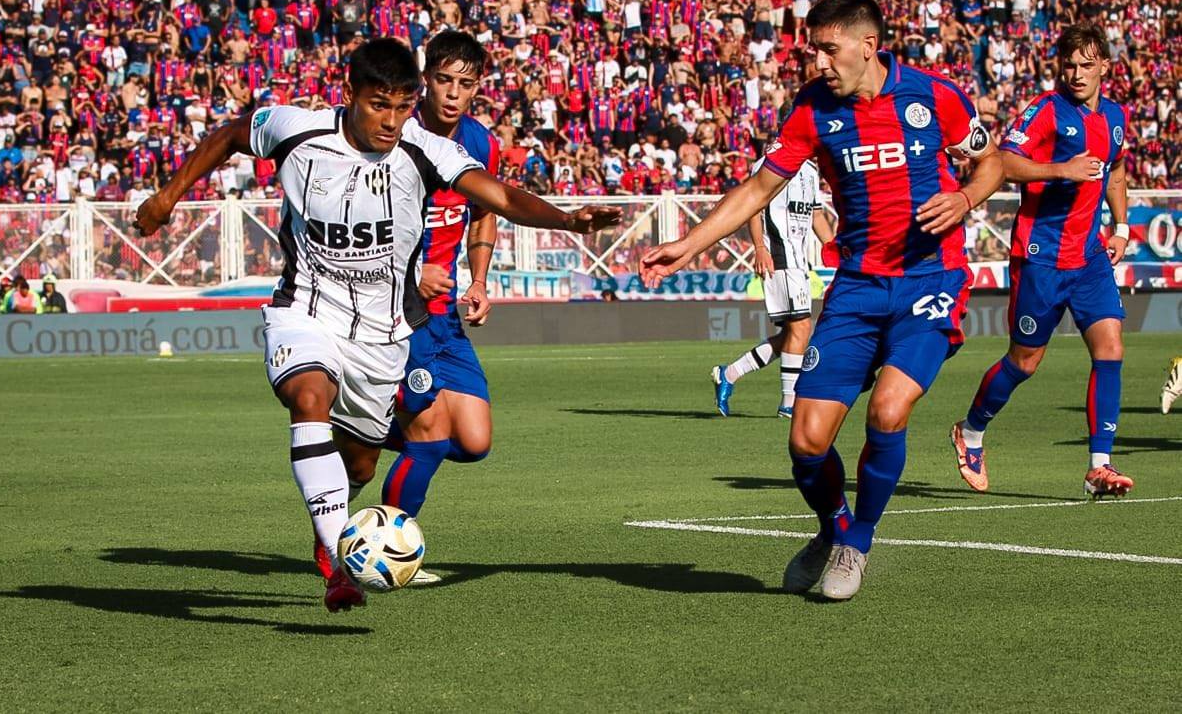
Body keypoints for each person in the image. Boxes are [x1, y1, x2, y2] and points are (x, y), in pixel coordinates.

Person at [134, 39, 619, 613]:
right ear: (349, 95)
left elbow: (497, 195)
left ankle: (341, 513)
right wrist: (167, 196)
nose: (391, 121)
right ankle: (338, 564)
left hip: (383, 336)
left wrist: (568, 219)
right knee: (309, 395)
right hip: (305, 311)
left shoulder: (424, 149)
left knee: (361, 461)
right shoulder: (297, 129)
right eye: (378, 105)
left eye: (401, 106)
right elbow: (232, 134)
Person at [640, 0, 1002, 601]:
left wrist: (966, 198)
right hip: (856, 289)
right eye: (815, 51)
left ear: (868, 46)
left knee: (889, 410)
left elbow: (992, 163)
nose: (820, 63)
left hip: (929, 282)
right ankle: (832, 527)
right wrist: (689, 243)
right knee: (806, 441)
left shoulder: (933, 96)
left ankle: (856, 543)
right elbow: (758, 188)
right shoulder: (811, 110)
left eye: (831, 50)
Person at [949, 23, 1133, 498]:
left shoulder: (1115, 116)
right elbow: (1002, 163)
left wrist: (1121, 227)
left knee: (1110, 347)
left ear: (1103, 68)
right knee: (1025, 362)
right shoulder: (1046, 111)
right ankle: (970, 431)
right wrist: (1060, 169)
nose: (1075, 73)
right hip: (1041, 257)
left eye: (1086, 65)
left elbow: (1115, 170)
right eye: (1068, 64)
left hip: (1089, 255)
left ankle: (1099, 465)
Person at [376, 32, 501, 585]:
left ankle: (364, 425)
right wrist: (410, 268)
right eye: (444, 80)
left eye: (465, 84)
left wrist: (479, 278)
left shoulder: (481, 142)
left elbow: (484, 214)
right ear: (425, 78)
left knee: (473, 442)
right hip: (397, 308)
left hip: (448, 310)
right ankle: (384, 547)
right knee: (429, 434)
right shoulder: (395, 137)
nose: (452, 94)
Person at [711, 148, 833, 417]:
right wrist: (759, 247)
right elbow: (752, 207)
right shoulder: (768, 165)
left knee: (794, 334)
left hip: (799, 260)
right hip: (777, 256)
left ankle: (729, 373)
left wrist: (835, 249)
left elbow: (815, 215)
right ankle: (789, 404)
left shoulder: (811, 171)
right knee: (800, 328)